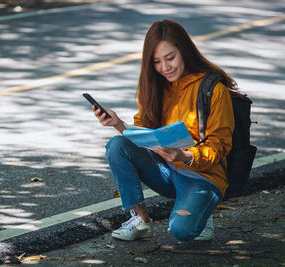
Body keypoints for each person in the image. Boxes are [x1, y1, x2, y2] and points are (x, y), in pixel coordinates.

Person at [92, 19, 237, 241]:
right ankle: (140, 219)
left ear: (185, 51)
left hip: (202, 176)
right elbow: (143, 133)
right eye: (157, 62)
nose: (164, 68)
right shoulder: (155, 85)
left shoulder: (213, 89)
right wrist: (118, 124)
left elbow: (220, 147)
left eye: (170, 58)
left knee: (182, 231)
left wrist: (184, 155)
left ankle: (203, 210)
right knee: (117, 146)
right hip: (167, 171)